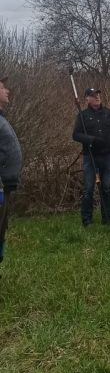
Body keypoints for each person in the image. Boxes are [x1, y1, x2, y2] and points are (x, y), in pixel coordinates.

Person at [72, 87, 110, 227]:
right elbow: (76, 135)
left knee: (106, 188)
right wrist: (91, 139)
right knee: (88, 189)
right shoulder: (82, 115)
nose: (97, 97)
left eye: (98, 95)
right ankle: (86, 220)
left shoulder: (109, 113)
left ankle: (107, 218)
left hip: (107, 156)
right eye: (93, 95)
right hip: (90, 157)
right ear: (87, 99)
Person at [0, 74, 22, 264]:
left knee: (1, 230)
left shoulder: (1, 118)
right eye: (2, 88)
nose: (7, 90)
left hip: (5, 186)